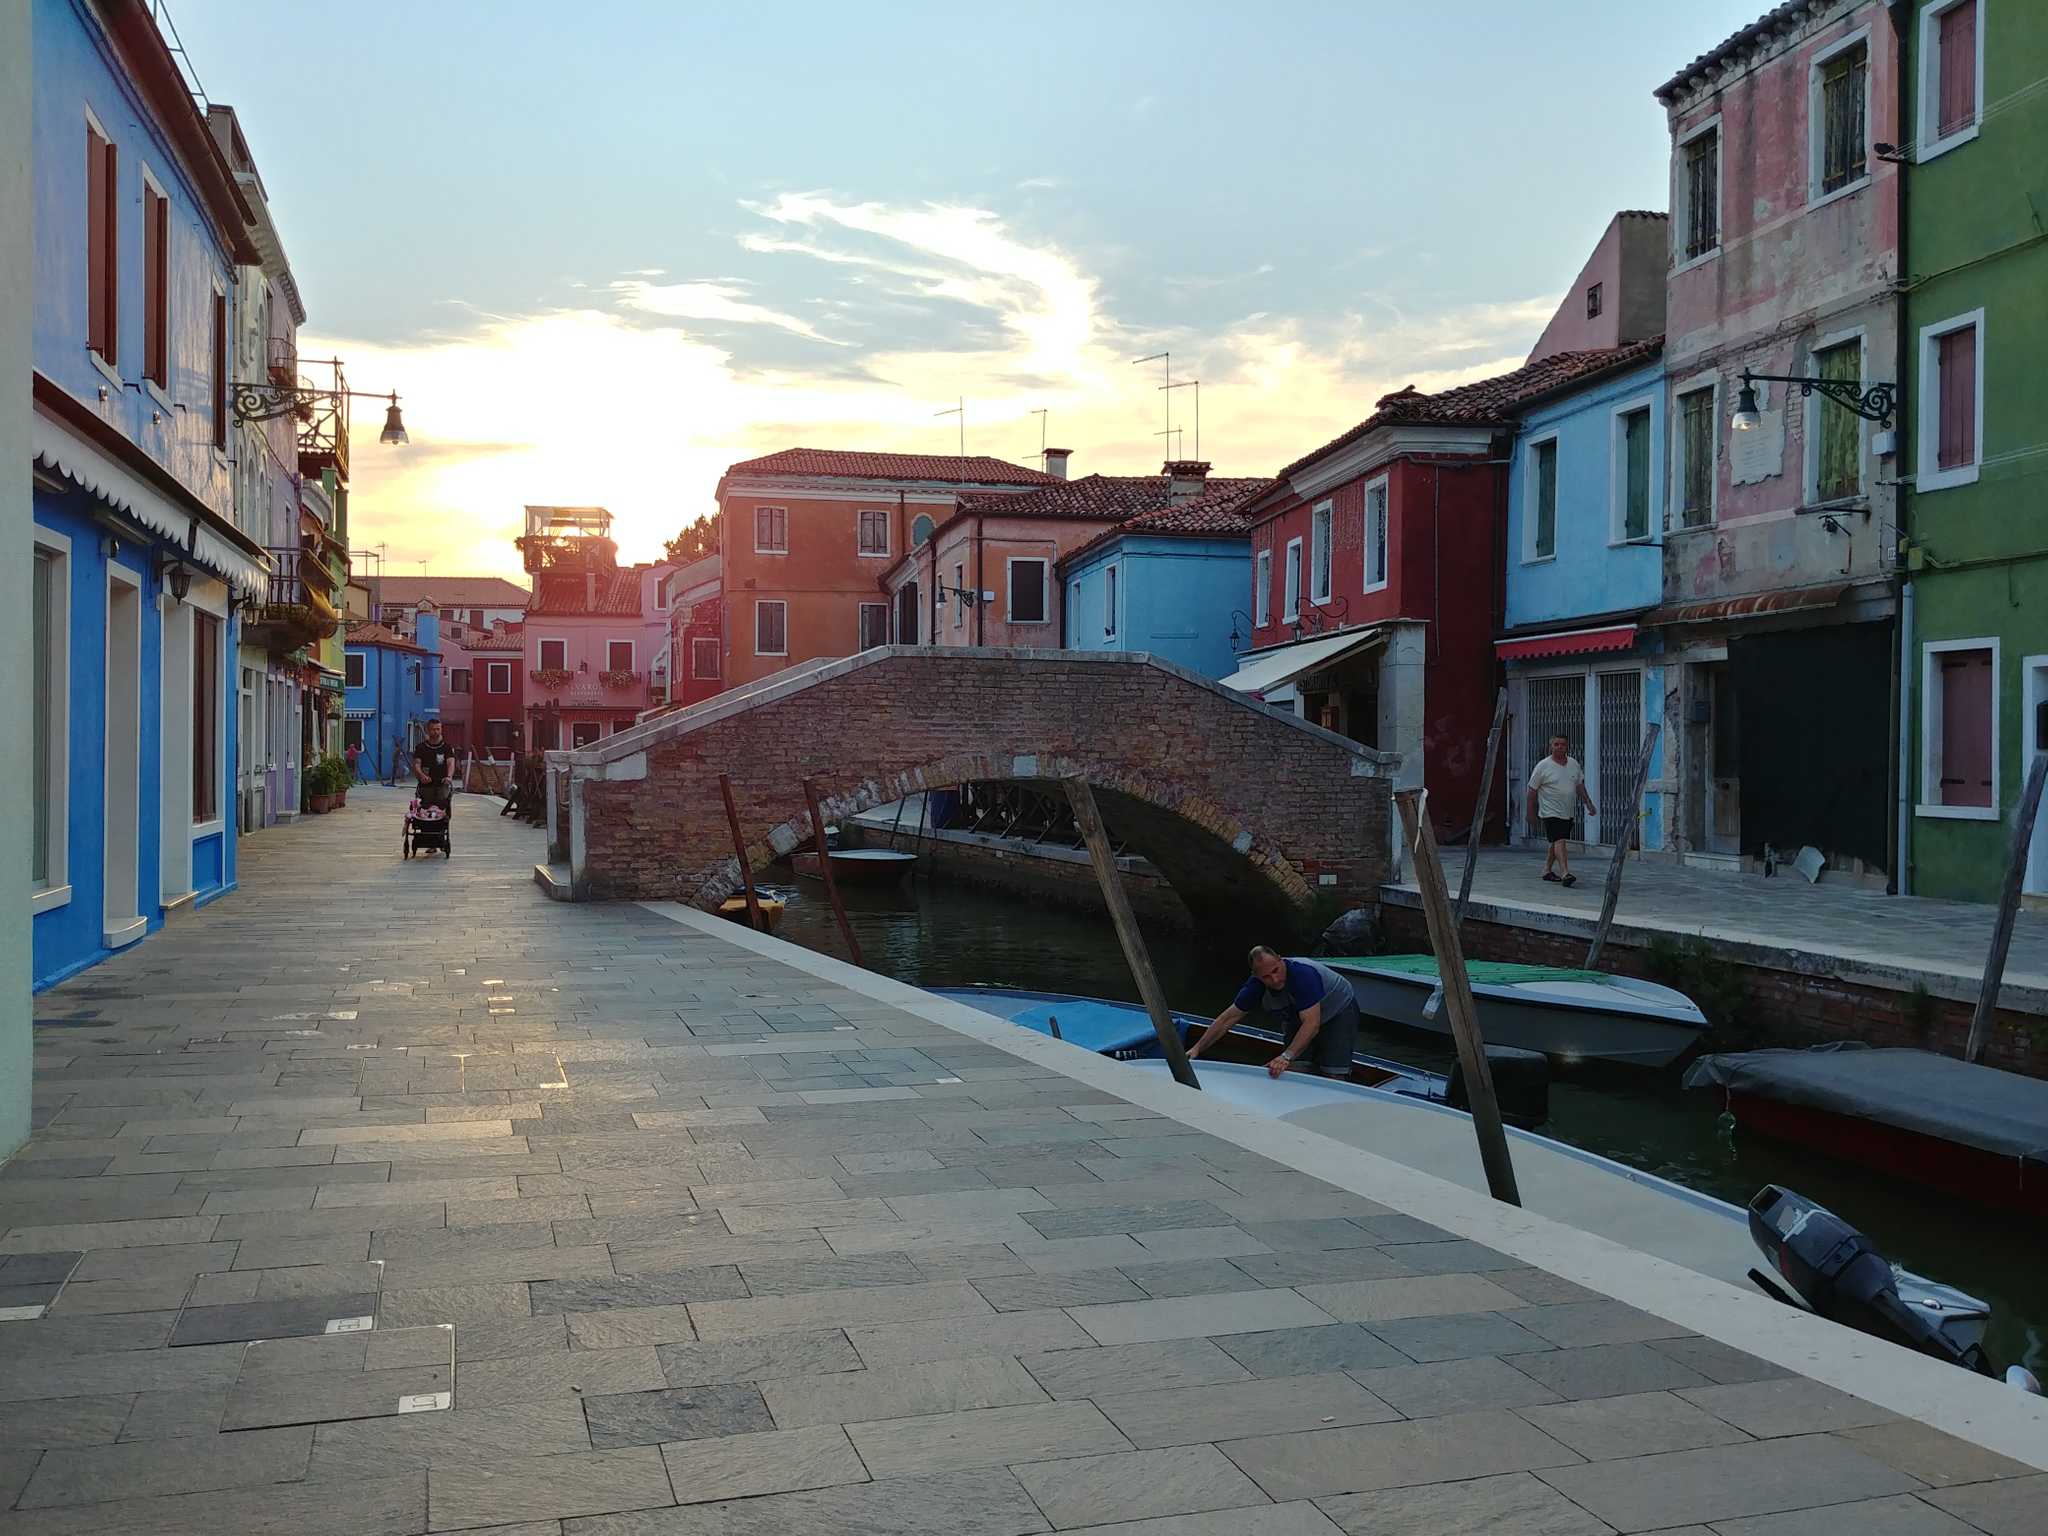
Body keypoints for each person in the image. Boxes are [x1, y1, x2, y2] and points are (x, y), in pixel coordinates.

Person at [1188, 946, 1361, 1080]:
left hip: (1338, 1009)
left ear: (1280, 960)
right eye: (1266, 977)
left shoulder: (1303, 975)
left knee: (1332, 1071)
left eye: (1275, 971)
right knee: (1290, 1067)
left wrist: (1286, 1056)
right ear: (1256, 976)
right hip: (1297, 1015)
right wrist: (1197, 1048)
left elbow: (1312, 1024)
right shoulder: (1255, 986)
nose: (1275, 980)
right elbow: (1228, 1018)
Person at [1527, 733, 1596, 887]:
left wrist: (1588, 804)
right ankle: (1565, 873)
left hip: (1567, 811)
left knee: (1556, 841)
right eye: (1556, 744)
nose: (1559, 747)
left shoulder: (1573, 764)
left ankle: (1546, 870)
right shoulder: (1543, 766)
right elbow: (1531, 790)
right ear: (1551, 746)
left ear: (1567, 746)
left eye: (1562, 744)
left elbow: (1579, 786)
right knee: (1560, 840)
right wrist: (1530, 813)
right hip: (1550, 811)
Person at [413, 720, 456, 814]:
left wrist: (449, 777)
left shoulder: (447, 747)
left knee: (443, 808)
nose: (436, 732)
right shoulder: (421, 748)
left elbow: (451, 763)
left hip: (442, 784)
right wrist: (421, 775)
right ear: (428, 730)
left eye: (438, 729)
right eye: (433, 729)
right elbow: (417, 764)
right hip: (426, 785)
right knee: (424, 809)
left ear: (441, 730)